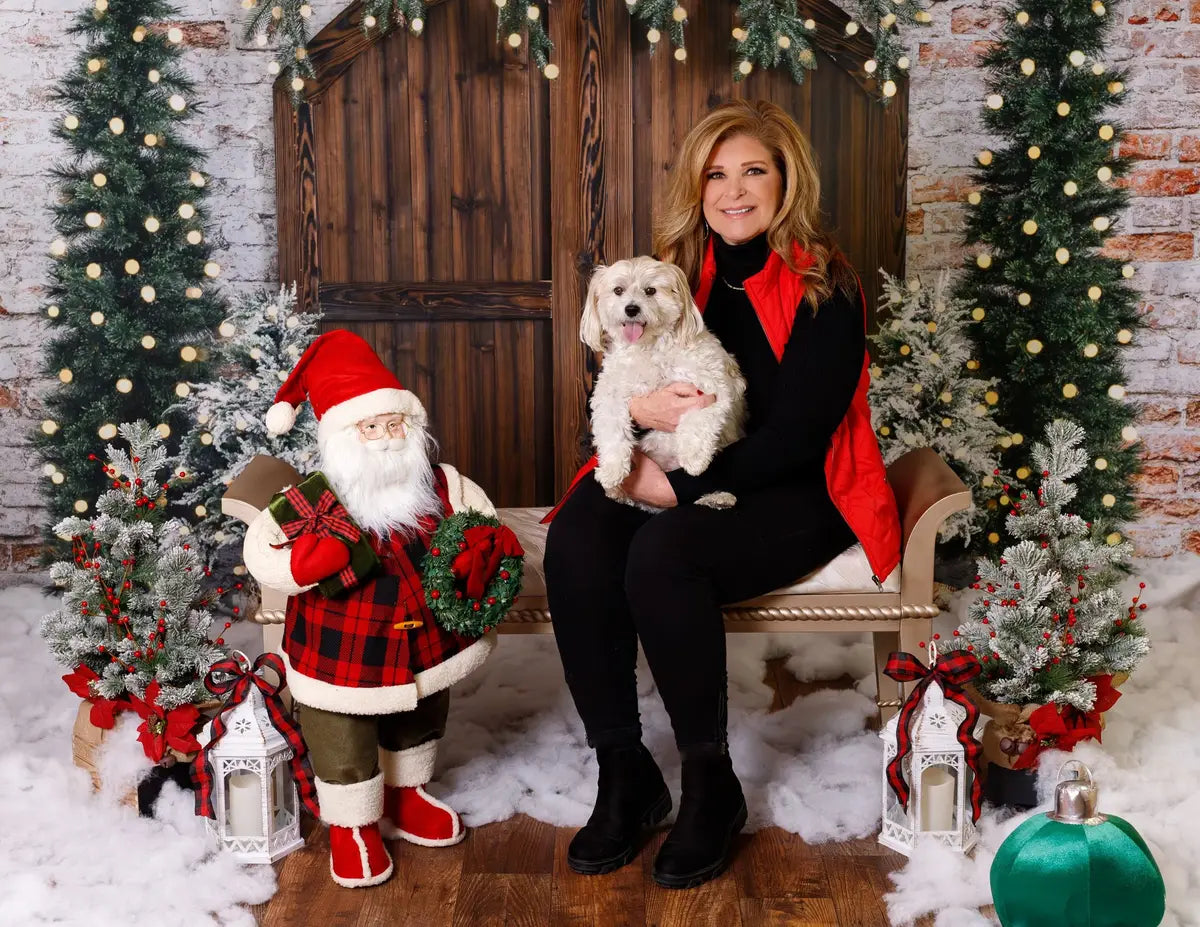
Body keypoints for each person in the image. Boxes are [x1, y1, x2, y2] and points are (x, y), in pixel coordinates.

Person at [543, 99, 902, 889]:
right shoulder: (674, 273)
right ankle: (625, 768)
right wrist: (637, 420)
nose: (734, 191)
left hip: (796, 490)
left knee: (665, 553)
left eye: (754, 172)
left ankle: (712, 782)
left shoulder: (825, 286)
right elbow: (623, 385)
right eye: (717, 174)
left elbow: (798, 438)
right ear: (696, 186)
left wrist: (680, 486)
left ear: (786, 182)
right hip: (678, 461)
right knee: (576, 535)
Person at [243, 330, 499, 888]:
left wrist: (477, 549)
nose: (385, 439)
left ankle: (408, 794)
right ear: (341, 437)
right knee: (341, 729)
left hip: (425, 636)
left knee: (423, 708)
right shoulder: (316, 497)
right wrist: (302, 566)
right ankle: (351, 826)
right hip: (344, 645)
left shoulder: (437, 484)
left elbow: (482, 520)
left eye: (394, 425)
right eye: (370, 427)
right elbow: (262, 550)